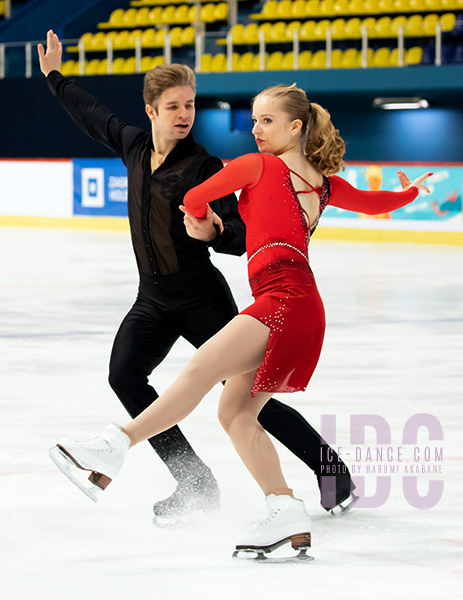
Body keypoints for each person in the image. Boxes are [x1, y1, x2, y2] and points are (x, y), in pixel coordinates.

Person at [48, 74, 431, 556]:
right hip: (302, 307)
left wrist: (204, 224)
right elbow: (377, 205)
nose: (255, 129)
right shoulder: (325, 186)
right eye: (253, 121)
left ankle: (114, 444)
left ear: (295, 128)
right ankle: (284, 510)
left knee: (200, 372)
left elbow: (194, 199)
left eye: (266, 121)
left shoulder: (255, 166)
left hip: (279, 300)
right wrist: (411, 193)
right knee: (236, 411)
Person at [38, 30, 356, 526]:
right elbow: (90, 112)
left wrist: (213, 231)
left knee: (248, 397)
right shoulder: (133, 147)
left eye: (189, 104)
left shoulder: (203, 164)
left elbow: (243, 233)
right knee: (123, 375)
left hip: (201, 298)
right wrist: (55, 76)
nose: (184, 114)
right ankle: (193, 479)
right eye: (173, 106)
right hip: (153, 298)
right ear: (152, 111)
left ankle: (330, 470)